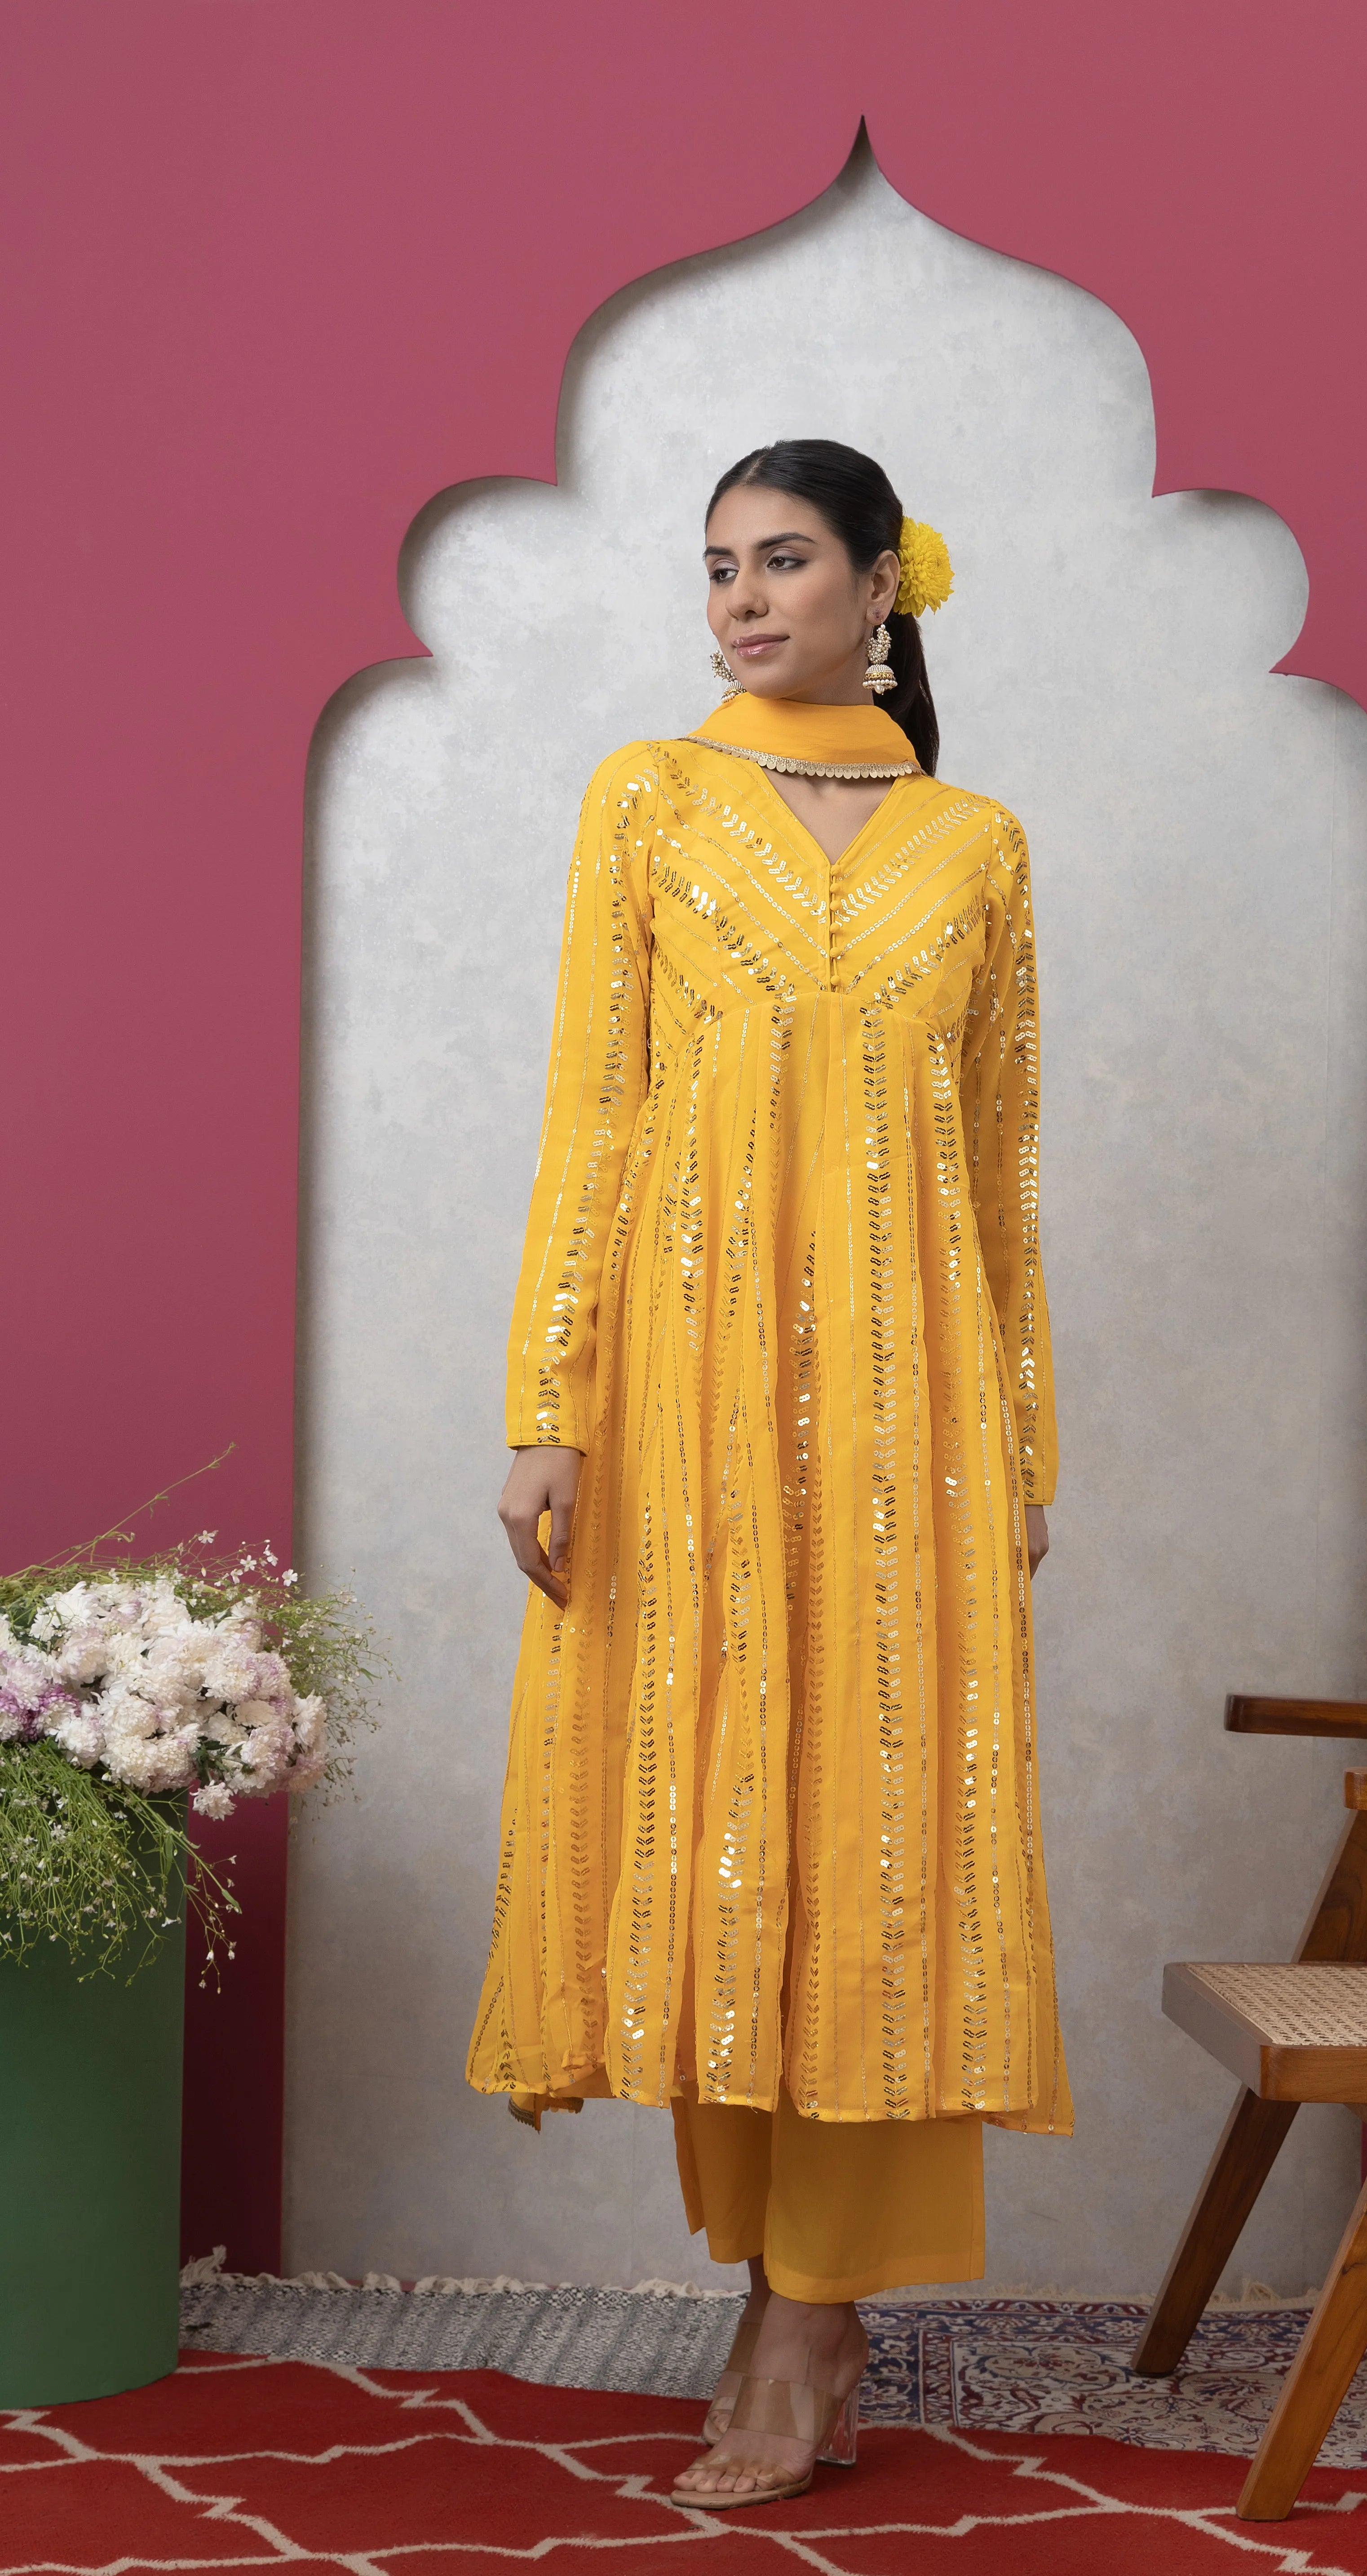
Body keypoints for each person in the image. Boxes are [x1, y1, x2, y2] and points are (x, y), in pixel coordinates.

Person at [469, 438, 1069, 2509]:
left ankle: (813, 2320)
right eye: (715, 564)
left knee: (886, 1834)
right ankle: (768, 2274)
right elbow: (593, 1110)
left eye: (783, 559)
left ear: (881, 584)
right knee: (729, 1826)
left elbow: (997, 1180)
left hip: (913, 1425)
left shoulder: (975, 844)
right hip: (683, 1406)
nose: (738, 596)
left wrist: (1019, 1453)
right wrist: (548, 1402)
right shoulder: (646, 797)